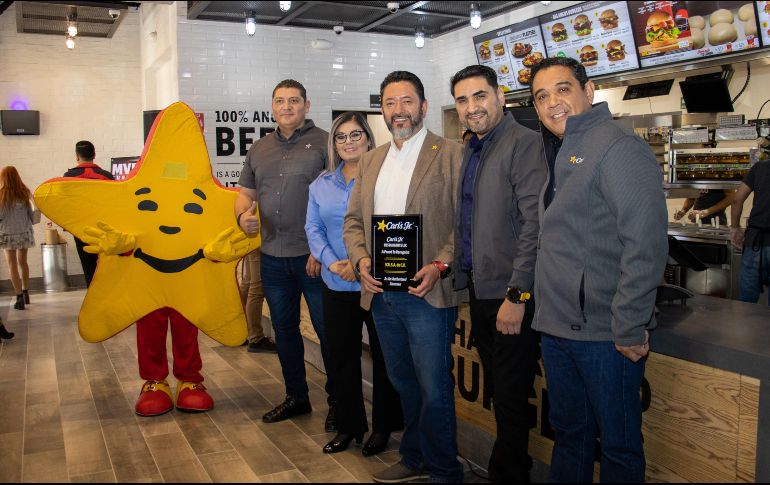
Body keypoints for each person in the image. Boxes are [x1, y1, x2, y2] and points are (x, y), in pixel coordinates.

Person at [530, 57, 667, 483]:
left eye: (563, 88)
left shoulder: (616, 147)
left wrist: (628, 324)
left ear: (589, 92)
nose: (553, 102)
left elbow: (644, 242)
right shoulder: (564, 149)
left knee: (619, 447)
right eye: (541, 96)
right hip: (557, 330)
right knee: (570, 435)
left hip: (604, 336)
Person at [344, 71, 464, 483]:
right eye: (391, 103)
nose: (399, 111)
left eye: (407, 102)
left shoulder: (450, 153)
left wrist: (439, 265)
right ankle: (415, 457)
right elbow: (353, 223)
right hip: (380, 295)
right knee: (402, 382)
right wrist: (360, 261)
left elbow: (463, 225)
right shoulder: (371, 159)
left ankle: (446, 471)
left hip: (427, 294)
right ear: (382, 109)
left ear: (423, 107)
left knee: (433, 387)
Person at [450, 64, 546, 482]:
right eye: (462, 100)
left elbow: (534, 225)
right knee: (500, 393)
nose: (472, 107)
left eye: (480, 96)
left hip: (511, 295)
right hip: (481, 290)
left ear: (500, 96)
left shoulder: (524, 143)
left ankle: (507, 475)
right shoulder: (473, 149)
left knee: (508, 396)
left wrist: (517, 294)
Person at [236, 79, 336, 428]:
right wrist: (242, 215)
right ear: (272, 107)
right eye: (280, 101)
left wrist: (322, 248)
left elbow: (340, 197)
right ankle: (297, 397)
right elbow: (245, 194)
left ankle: (339, 402)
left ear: (307, 105)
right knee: (284, 330)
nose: (287, 106)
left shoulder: (326, 142)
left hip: (315, 259)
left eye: (294, 100)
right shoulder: (258, 148)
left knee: (328, 331)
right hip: (272, 257)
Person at [306, 111, 403, 456]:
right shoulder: (320, 185)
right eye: (341, 137)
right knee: (342, 358)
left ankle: (383, 428)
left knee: (385, 358)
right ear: (334, 144)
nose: (348, 142)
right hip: (337, 283)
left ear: (368, 137)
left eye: (355, 135)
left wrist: (364, 263)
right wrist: (334, 262)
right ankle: (349, 426)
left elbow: (394, 226)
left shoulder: (387, 178)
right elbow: (313, 229)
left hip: (376, 284)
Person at [62, 140, 114, 287]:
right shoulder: (107, 176)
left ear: (77, 156)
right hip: (103, 228)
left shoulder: (68, 177)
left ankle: (92, 295)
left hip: (80, 228)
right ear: (94, 155)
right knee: (107, 263)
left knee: (87, 265)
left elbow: (66, 204)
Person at [731, 160, 770, 304]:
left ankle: (744, 326)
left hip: (755, 242)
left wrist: (735, 228)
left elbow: (736, 200)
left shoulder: (760, 167)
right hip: (756, 239)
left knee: (746, 303)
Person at [0, 166, 35, 310]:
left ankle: (19, 296)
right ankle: (26, 292)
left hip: (7, 234)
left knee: (12, 265)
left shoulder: (1, 195)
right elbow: (32, 215)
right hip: (24, 232)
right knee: (23, 262)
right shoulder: (24, 193)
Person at [238, 248, 278, 353]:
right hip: (259, 240)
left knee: (248, 280)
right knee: (257, 288)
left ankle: (238, 330)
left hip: (252, 241)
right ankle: (256, 339)